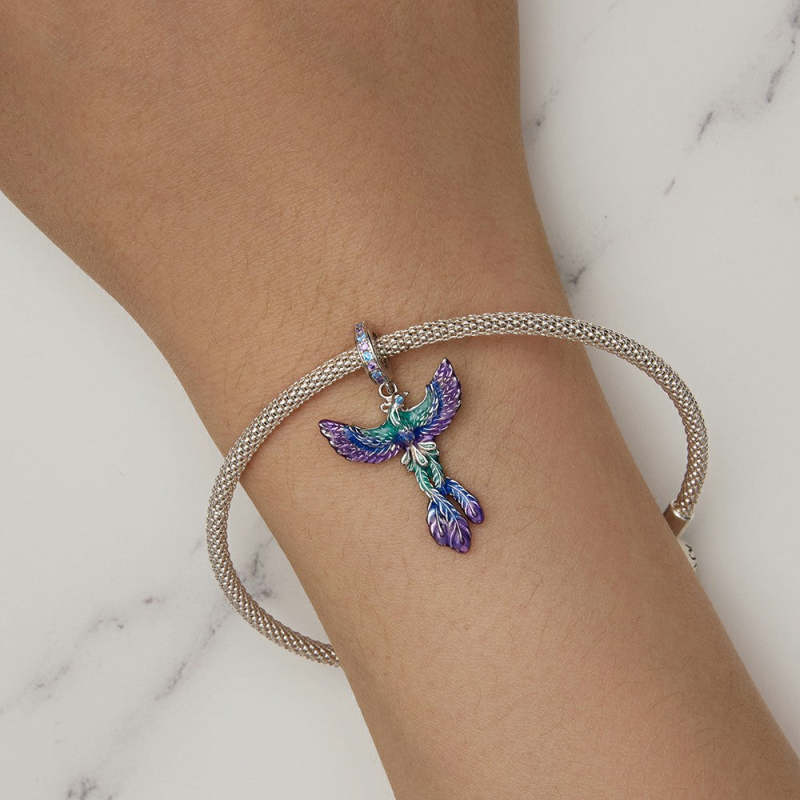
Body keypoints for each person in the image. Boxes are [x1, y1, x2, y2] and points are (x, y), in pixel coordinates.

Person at [1, 4, 798, 797]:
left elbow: (423, 404)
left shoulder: (413, 422)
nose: (401, 417)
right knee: (437, 487)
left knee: (441, 488)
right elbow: (375, 429)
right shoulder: (400, 433)